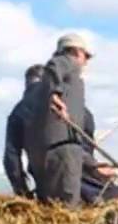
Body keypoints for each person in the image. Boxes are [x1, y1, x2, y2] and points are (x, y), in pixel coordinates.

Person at [26, 33, 92, 206]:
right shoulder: (68, 61)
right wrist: (54, 93)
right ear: (77, 52)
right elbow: (53, 66)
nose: (86, 62)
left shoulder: (43, 92)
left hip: (50, 152)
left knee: (51, 209)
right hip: (63, 151)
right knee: (68, 209)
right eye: (87, 56)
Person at [3, 64, 46, 198]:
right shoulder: (65, 104)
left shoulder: (18, 112)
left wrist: (22, 193)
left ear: (26, 83)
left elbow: (11, 158)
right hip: (80, 180)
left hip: (44, 184)